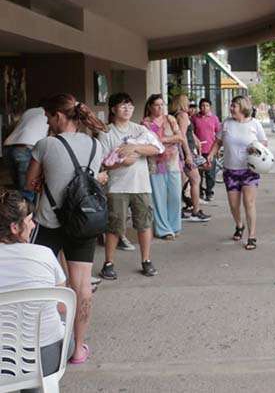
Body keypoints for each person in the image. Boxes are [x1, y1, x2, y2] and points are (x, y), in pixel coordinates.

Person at [26, 93, 108, 365]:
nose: (48, 122)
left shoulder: (45, 144)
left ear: (58, 116)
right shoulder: (96, 145)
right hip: (84, 222)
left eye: (49, 117)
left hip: (49, 222)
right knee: (82, 287)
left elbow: (30, 182)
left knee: (40, 281)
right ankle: (78, 348)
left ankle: (42, 340)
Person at [0, 189, 78, 375]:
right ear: (14, 227)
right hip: (47, 354)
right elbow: (62, 307)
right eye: (29, 221)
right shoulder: (44, 255)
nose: (34, 226)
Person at [97, 92, 163, 281]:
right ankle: (108, 263)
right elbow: (102, 162)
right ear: (113, 109)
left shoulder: (139, 129)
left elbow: (156, 148)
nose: (127, 109)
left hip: (141, 185)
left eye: (130, 106)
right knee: (114, 226)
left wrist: (134, 148)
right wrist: (121, 162)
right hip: (117, 186)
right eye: (122, 106)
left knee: (144, 224)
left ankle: (146, 260)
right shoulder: (106, 132)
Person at [204, 95, 267, 250]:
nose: (231, 108)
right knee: (233, 205)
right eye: (231, 106)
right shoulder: (226, 123)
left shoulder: (255, 124)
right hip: (230, 170)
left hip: (249, 170)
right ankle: (239, 225)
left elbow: (264, 142)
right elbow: (218, 142)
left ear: (243, 107)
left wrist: (257, 147)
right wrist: (211, 155)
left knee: (249, 203)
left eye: (234, 106)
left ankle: (252, 236)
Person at [142, 94, 184, 240]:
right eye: (157, 105)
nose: (160, 108)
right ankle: (163, 229)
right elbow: (146, 143)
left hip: (172, 163)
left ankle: (174, 225)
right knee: (158, 198)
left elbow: (180, 137)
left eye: (162, 104)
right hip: (155, 164)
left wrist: (162, 140)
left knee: (175, 196)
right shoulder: (145, 124)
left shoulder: (170, 119)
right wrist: (164, 142)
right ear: (150, 107)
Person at [172, 94, 210, 223]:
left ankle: (179, 209)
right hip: (185, 152)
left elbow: (188, 133)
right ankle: (195, 210)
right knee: (195, 179)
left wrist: (196, 140)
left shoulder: (179, 115)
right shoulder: (182, 115)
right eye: (187, 101)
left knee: (182, 182)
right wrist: (188, 155)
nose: (189, 103)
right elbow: (182, 136)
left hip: (184, 152)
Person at [3, 104, 48, 196]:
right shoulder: (50, 114)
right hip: (26, 148)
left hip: (8, 147)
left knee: (18, 188)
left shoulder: (30, 111)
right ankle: (28, 210)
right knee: (27, 191)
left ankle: (17, 209)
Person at [191, 98, 221, 202]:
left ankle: (209, 192)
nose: (205, 108)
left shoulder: (214, 118)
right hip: (198, 151)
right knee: (198, 174)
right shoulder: (194, 118)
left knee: (210, 173)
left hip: (210, 150)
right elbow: (191, 132)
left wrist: (217, 150)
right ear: (199, 107)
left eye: (207, 105)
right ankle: (199, 192)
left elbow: (219, 134)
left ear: (210, 107)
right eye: (202, 105)